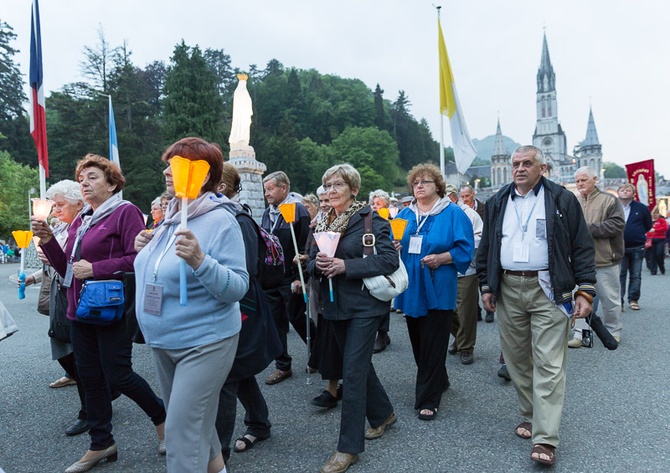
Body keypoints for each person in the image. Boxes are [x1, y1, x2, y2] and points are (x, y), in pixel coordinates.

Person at [33, 154, 166, 473]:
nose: (85, 183)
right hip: (80, 311)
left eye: (92, 177)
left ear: (112, 182)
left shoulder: (125, 212)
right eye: (81, 179)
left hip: (111, 308)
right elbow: (66, 269)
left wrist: (97, 268)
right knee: (90, 378)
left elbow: (140, 259)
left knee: (119, 374)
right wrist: (49, 240)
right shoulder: (82, 219)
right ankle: (101, 443)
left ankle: (163, 421)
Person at [134, 138, 248, 473]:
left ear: (203, 173)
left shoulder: (220, 220)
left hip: (204, 343)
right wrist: (144, 248)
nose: (167, 170)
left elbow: (238, 287)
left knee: (181, 433)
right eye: (168, 163)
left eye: (177, 165)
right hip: (164, 341)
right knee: (194, 424)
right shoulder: (171, 216)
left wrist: (201, 261)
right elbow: (159, 272)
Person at [477, 145, 596, 466]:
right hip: (508, 288)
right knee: (516, 360)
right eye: (515, 163)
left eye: (527, 163)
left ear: (541, 168)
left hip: (549, 288)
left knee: (549, 363)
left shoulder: (562, 199)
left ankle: (546, 437)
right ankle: (530, 414)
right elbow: (487, 245)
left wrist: (585, 289)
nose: (519, 168)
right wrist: (486, 285)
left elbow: (582, 246)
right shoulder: (498, 201)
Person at [308, 163, 397, 473]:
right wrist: (316, 265)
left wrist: (346, 267)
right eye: (328, 185)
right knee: (357, 364)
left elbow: (389, 259)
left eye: (338, 185)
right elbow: (310, 263)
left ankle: (348, 448)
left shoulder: (370, 220)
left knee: (353, 372)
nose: (331, 191)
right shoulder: (320, 221)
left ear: (354, 189)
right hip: (332, 308)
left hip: (364, 305)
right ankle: (384, 413)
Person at [394, 164, 474, 421]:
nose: (419, 186)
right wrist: (394, 246)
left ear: (437, 186)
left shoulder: (452, 213)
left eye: (425, 181)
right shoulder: (405, 215)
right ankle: (439, 377)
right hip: (412, 285)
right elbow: (397, 246)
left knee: (434, 338)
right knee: (418, 340)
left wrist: (441, 258)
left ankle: (428, 398)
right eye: (415, 182)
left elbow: (466, 249)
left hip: (438, 282)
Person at [214, 163, 282, 461]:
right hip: (232, 300)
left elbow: (247, 268)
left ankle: (218, 454)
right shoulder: (223, 215)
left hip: (242, 302)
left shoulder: (236, 218)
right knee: (234, 369)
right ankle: (258, 421)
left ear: (221, 187)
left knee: (230, 371)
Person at [24, 180, 88, 434]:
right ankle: (96, 399)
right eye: (53, 205)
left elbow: (70, 265)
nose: (55, 210)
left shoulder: (82, 227)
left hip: (73, 294)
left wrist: (50, 255)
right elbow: (55, 262)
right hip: (59, 292)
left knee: (77, 355)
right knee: (63, 350)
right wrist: (35, 274)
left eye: (60, 204)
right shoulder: (61, 226)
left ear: (78, 204)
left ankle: (91, 409)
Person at [261, 171, 314, 385]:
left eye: (270, 189)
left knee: (296, 316)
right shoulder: (267, 213)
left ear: (284, 188)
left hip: (291, 276)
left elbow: (306, 244)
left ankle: (319, 354)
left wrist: (301, 276)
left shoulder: (297, 210)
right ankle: (283, 365)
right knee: (275, 322)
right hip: (271, 276)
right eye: (265, 190)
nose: (267, 194)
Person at [571, 167, 625, 346]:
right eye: (577, 181)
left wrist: (587, 229)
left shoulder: (609, 200)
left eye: (583, 180)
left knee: (610, 299)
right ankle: (580, 334)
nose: (580, 184)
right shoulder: (574, 201)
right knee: (579, 300)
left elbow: (617, 225)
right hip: (580, 263)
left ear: (595, 179)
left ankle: (612, 331)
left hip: (605, 259)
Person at [444, 183, 482, 365]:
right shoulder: (438, 214)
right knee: (446, 309)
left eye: (445, 196)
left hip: (466, 269)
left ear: (453, 197)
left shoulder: (470, 214)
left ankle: (467, 347)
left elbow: (480, 239)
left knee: (466, 310)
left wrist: (459, 242)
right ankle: (459, 337)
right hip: (445, 268)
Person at [618, 183, 652, 310]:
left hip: (637, 246)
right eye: (622, 189)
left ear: (633, 194)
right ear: (618, 192)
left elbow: (648, 225)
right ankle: (619, 301)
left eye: (628, 190)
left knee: (636, 274)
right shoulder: (614, 207)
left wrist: (637, 233)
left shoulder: (641, 208)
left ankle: (633, 299)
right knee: (620, 275)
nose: (625, 192)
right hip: (619, 246)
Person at [368, 189, 393, 353]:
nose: (375, 207)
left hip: (385, 262)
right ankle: (380, 332)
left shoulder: (391, 222)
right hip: (370, 261)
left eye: (379, 204)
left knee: (383, 297)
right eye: (373, 204)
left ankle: (382, 333)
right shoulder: (366, 221)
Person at [646, 206, 668, 276]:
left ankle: (661, 267)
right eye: (654, 213)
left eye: (656, 213)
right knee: (651, 256)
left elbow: (665, 227)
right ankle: (653, 270)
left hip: (660, 239)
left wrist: (656, 229)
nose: (655, 215)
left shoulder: (661, 220)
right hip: (650, 240)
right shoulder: (648, 220)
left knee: (659, 254)